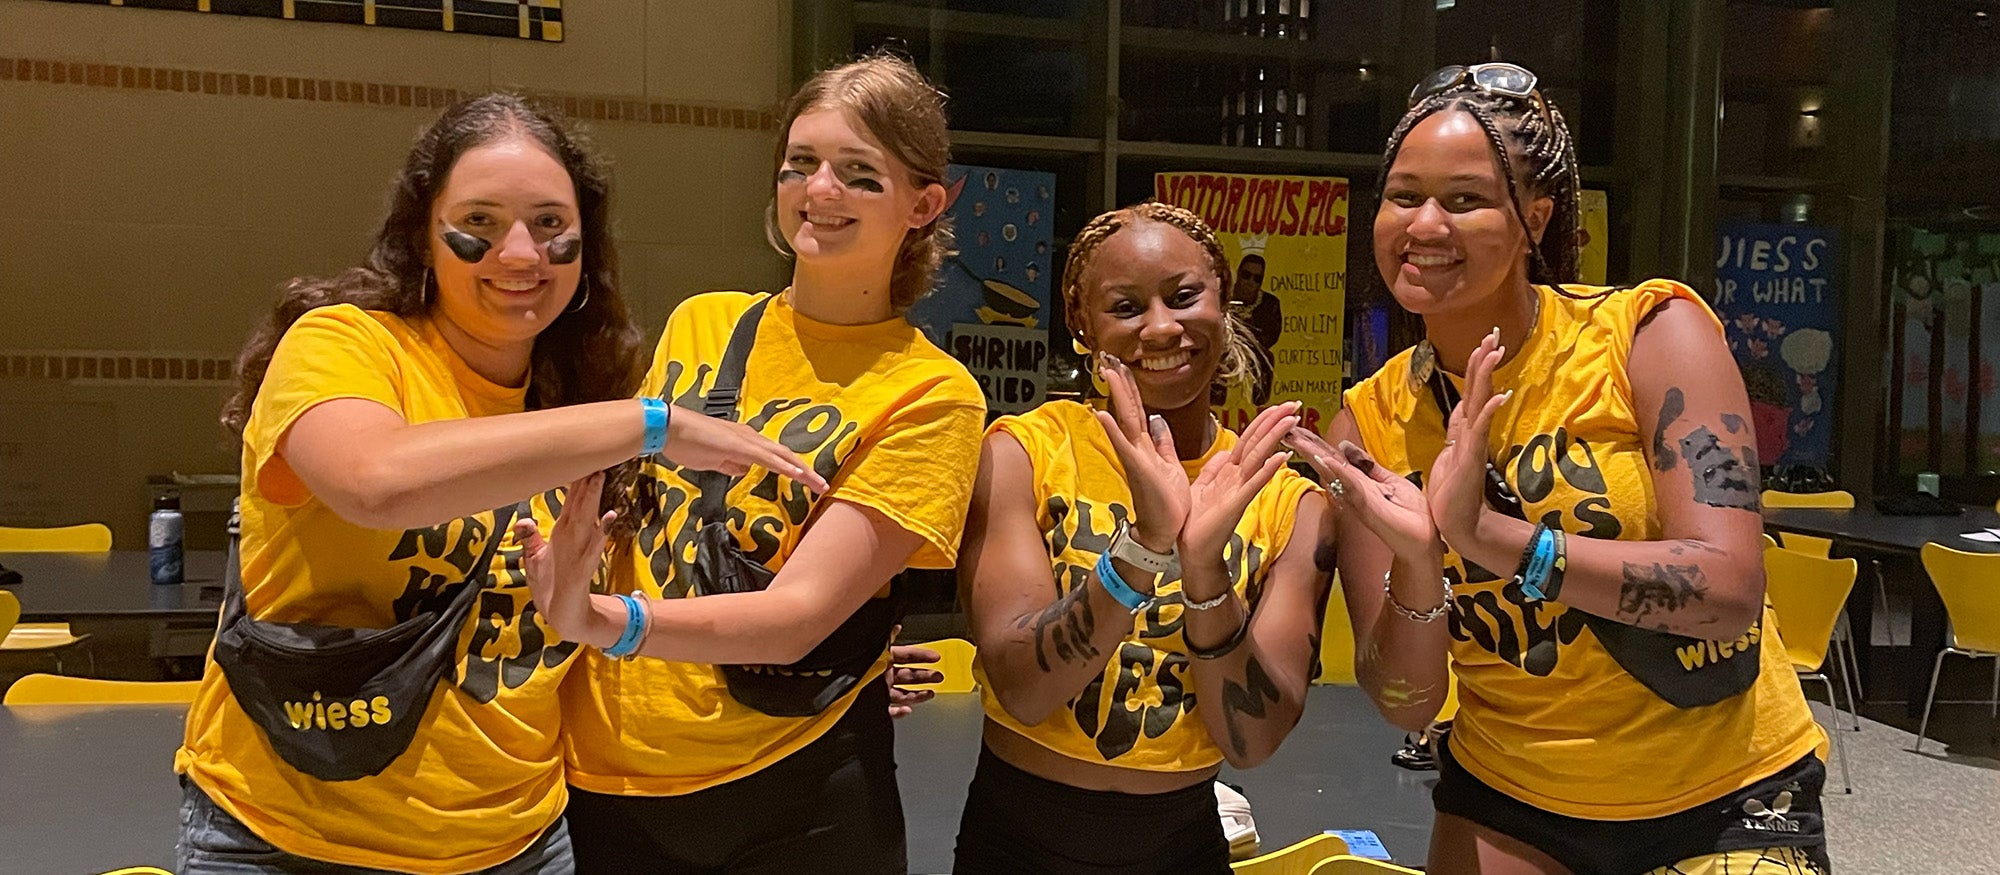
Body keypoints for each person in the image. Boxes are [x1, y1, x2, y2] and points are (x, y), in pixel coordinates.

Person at [175, 94, 819, 875]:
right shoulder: (343, 346)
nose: (520, 254)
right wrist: (648, 423)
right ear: (423, 234)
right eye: (479, 222)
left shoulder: (579, 395)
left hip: (516, 846)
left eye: (550, 224)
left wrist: (833, 658)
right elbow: (375, 483)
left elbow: (632, 591)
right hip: (290, 836)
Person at [1289, 63, 1831, 875]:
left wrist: (1487, 535)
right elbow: (1409, 697)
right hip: (1509, 806)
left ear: (1532, 218)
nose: (1425, 224)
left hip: (1723, 799)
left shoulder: (1650, 334)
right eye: (1404, 196)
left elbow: (1725, 591)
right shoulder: (1369, 420)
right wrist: (1416, 562)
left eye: (1465, 199)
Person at [520, 55, 986, 874]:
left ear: (925, 203)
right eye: (801, 164)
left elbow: (800, 612)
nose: (821, 190)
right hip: (606, 773)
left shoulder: (931, 393)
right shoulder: (704, 323)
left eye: (859, 173)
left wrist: (599, 619)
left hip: (794, 788)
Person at [953, 202, 1335, 874]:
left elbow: (1252, 740)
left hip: (1180, 846)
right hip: (1014, 841)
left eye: (1184, 296)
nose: (1161, 326)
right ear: (1083, 324)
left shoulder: (1286, 501)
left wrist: (1204, 570)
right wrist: (1145, 545)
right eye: (1125, 306)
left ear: (1225, 300)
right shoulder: (1025, 452)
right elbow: (1023, 689)